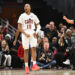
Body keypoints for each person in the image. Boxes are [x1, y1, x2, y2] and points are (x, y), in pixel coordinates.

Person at [18, 4, 41, 74]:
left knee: (34, 48)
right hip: (25, 33)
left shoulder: (33, 15)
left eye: (27, 6)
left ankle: (34, 65)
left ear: (30, 8)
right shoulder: (22, 16)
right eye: (25, 6)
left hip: (32, 32)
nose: (25, 7)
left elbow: (39, 26)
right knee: (26, 50)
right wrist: (24, 33)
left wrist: (36, 32)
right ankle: (26, 67)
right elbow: (19, 27)